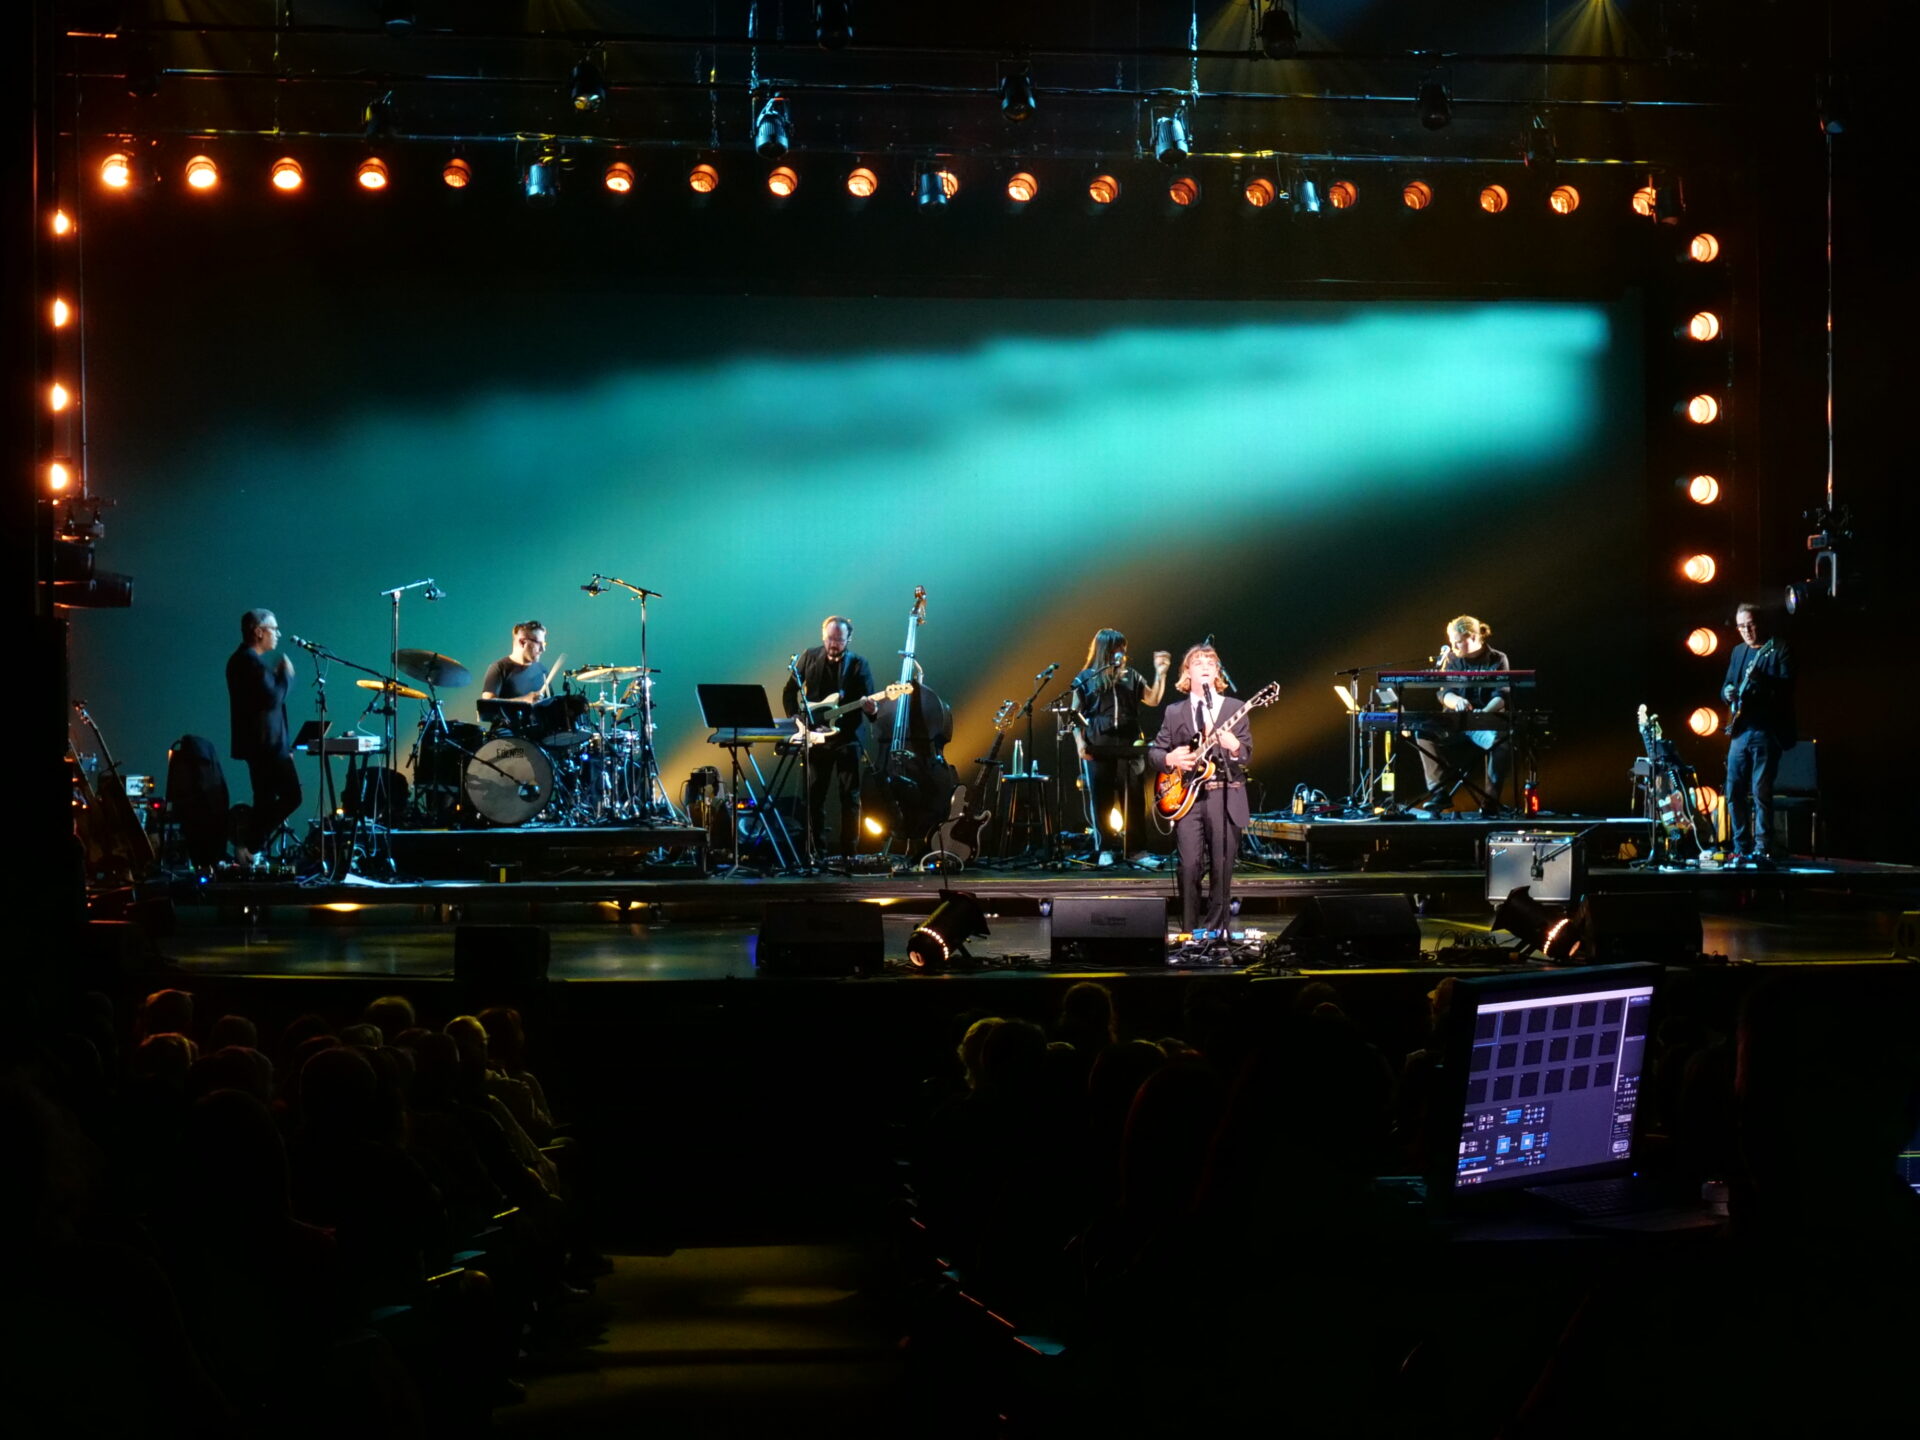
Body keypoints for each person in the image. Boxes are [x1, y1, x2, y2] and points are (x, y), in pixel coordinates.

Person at [1149, 645, 1253, 935]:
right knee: (1190, 866)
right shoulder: (1174, 711)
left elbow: (1247, 754)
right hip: (1188, 800)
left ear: (1218, 672)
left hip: (1226, 795)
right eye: (1198, 662)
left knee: (1222, 869)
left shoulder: (1235, 708)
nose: (1205, 666)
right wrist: (1170, 759)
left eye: (1211, 662)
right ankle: (1190, 934)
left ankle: (1216, 934)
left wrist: (1234, 746)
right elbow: (1154, 753)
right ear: (1187, 672)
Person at [781, 615, 878, 860]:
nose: (834, 644)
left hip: (847, 738)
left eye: (839, 639)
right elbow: (789, 691)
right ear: (823, 636)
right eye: (830, 638)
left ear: (849, 639)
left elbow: (872, 703)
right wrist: (797, 720)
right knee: (814, 796)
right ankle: (816, 851)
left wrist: (872, 709)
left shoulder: (858, 664)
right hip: (815, 737)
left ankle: (849, 853)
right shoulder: (809, 657)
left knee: (850, 797)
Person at [1071, 629, 1170, 865]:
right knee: (1101, 798)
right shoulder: (1086, 677)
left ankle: (1136, 851)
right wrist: (1080, 742)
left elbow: (1153, 699)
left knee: (1134, 798)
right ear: (1106, 649)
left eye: (1124, 647)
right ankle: (1105, 848)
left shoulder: (1131, 675)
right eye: (1118, 647)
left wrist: (1161, 674)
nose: (1122, 652)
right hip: (1099, 743)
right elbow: (1073, 714)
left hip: (1129, 743)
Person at [1720, 602, 1795, 867]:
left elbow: (1787, 691)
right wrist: (1727, 691)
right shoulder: (1738, 651)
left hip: (1765, 731)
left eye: (1750, 624)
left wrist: (1764, 681)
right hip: (1740, 731)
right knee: (1733, 791)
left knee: (1760, 790)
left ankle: (1764, 848)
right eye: (1741, 626)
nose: (1746, 631)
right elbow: (1727, 684)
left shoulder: (1778, 648)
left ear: (1760, 623)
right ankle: (1741, 847)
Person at [226, 607, 302, 868]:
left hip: (268, 745)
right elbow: (273, 698)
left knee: (265, 800)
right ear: (258, 632)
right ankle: (249, 844)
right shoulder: (247, 662)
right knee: (292, 797)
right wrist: (287, 675)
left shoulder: (249, 661)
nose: (278, 634)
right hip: (265, 746)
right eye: (274, 629)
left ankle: (249, 851)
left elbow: (273, 707)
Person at [1415, 614, 1513, 814]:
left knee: (1501, 742)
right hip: (1454, 722)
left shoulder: (1498, 659)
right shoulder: (1451, 658)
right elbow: (1444, 692)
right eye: (1452, 642)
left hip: (1483, 722)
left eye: (1459, 641)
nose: (1455, 646)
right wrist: (1456, 701)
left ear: (1475, 637)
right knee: (1423, 732)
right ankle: (1439, 793)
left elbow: (1502, 695)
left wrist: (1483, 713)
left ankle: (1490, 801)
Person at [479, 621, 551, 706]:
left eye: (544, 644)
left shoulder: (542, 670)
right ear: (522, 642)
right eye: (539, 643)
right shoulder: (498, 668)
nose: (543, 649)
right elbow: (487, 705)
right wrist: (523, 700)